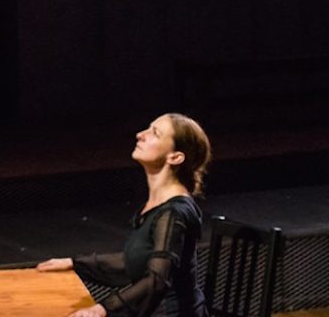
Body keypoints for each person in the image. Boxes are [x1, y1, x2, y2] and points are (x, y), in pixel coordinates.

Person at [37, 113, 213, 317]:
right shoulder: (159, 204)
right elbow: (136, 260)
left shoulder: (173, 214)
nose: (140, 135)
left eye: (155, 133)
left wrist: (102, 308)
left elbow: (157, 280)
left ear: (175, 157)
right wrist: (74, 263)